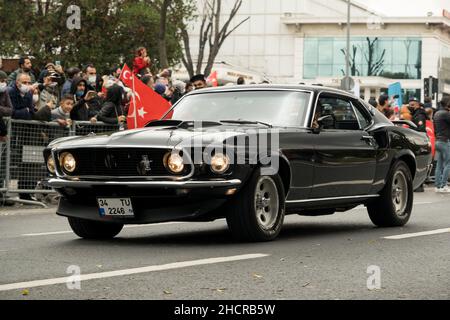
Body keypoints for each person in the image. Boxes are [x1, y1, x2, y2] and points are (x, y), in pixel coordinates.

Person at [433, 97, 450, 193]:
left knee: (439, 165)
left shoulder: (437, 113)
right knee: (448, 163)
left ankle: (437, 185)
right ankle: (443, 185)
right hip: (444, 141)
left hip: (438, 141)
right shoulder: (446, 114)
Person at [0, 71, 13, 140]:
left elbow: (10, 110)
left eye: (5, 81)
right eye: (2, 81)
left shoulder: (5, 92)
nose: (4, 84)